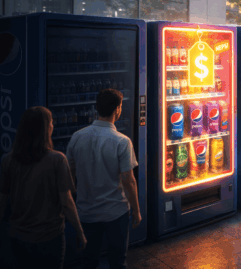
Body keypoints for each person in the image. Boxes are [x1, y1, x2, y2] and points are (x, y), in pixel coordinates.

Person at [0, 107, 86, 269]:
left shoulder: (7, 160)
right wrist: (80, 232)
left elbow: (2, 201)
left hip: (18, 236)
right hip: (50, 238)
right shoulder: (57, 160)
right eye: (51, 122)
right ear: (45, 129)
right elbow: (66, 203)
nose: (53, 125)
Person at [66, 88, 141, 269]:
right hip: (116, 212)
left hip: (86, 211)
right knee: (118, 261)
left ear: (97, 108)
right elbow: (128, 180)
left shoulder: (77, 137)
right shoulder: (122, 141)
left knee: (89, 261)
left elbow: (69, 174)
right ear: (117, 109)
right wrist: (136, 210)